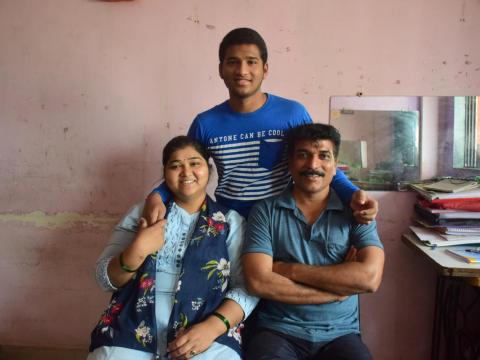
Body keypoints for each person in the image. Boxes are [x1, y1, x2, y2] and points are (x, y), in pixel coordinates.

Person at [143, 27, 378, 223]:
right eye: (233, 62)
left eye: (251, 62)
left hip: (283, 221)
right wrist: (156, 196)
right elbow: (186, 172)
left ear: (265, 69)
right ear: (221, 69)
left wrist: (352, 194)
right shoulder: (205, 123)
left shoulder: (293, 113)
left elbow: (318, 165)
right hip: (227, 221)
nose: (242, 71)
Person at [88, 136, 258, 360]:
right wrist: (137, 251)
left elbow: (247, 286)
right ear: (164, 173)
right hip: (131, 325)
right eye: (175, 165)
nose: (186, 172)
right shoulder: (141, 214)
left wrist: (214, 327)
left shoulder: (231, 222)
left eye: (194, 163)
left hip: (205, 328)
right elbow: (104, 278)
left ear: (208, 169)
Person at [242, 123, 385, 360]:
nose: (313, 165)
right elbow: (258, 281)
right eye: (303, 155)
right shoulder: (265, 212)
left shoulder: (358, 212)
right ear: (289, 162)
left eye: (323, 156)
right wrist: (336, 291)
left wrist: (286, 269)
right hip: (278, 330)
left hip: (340, 334)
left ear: (335, 164)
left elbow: (369, 279)